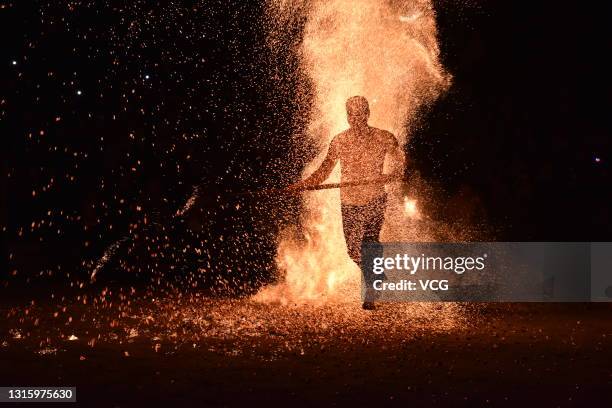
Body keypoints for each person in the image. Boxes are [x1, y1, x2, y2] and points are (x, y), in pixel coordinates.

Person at [288, 96, 404, 310]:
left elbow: (401, 161)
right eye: (351, 113)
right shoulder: (340, 141)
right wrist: (302, 185)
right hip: (349, 200)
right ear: (347, 116)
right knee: (352, 250)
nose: (355, 117)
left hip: (375, 197)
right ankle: (375, 273)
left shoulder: (383, 137)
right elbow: (323, 172)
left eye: (360, 112)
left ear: (367, 114)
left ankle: (371, 287)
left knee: (370, 241)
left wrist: (393, 174)